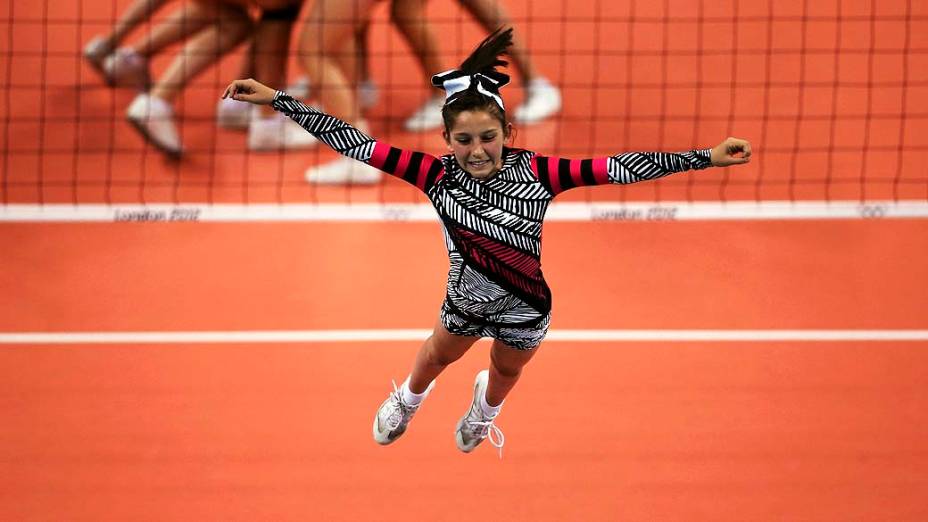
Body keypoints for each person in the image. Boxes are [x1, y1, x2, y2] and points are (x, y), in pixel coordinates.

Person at [221, 28, 752, 457]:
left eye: (488, 137)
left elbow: (618, 168)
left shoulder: (542, 174)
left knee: (506, 371)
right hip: (464, 302)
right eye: (464, 140)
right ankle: (407, 400)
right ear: (447, 141)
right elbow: (355, 142)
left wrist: (705, 156)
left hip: (528, 305)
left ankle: (484, 413)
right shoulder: (433, 175)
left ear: (507, 133)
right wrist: (278, 99)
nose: (478, 150)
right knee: (434, 357)